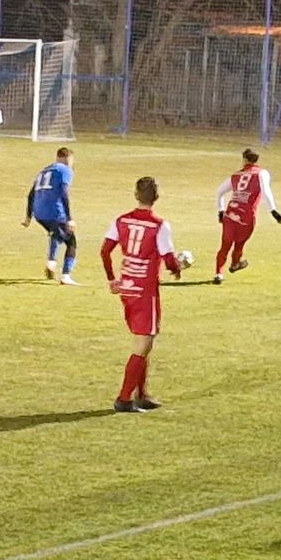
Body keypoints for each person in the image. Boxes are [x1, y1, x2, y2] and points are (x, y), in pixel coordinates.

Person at [100, 176, 182, 413]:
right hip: (145, 291)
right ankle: (124, 398)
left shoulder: (121, 220)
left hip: (127, 288)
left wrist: (112, 279)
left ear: (136, 195)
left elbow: (105, 251)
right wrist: (177, 268)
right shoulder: (159, 225)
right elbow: (168, 259)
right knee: (143, 343)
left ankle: (141, 394)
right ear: (156, 197)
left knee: (143, 342)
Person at [213, 147, 281, 284]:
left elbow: (219, 192)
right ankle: (235, 264)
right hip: (246, 215)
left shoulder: (235, 175)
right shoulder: (261, 173)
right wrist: (273, 211)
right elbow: (266, 191)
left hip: (231, 213)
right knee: (239, 244)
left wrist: (221, 210)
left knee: (225, 245)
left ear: (245, 159)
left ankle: (218, 273)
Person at [22, 147, 79, 286]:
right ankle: (65, 276)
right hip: (55, 211)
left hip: (39, 214)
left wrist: (28, 216)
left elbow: (31, 194)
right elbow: (64, 193)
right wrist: (69, 218)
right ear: (67, 158)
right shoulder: (65, 170)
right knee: (71, 242)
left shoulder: (44, 171)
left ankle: (52, 262)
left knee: (56, 233)